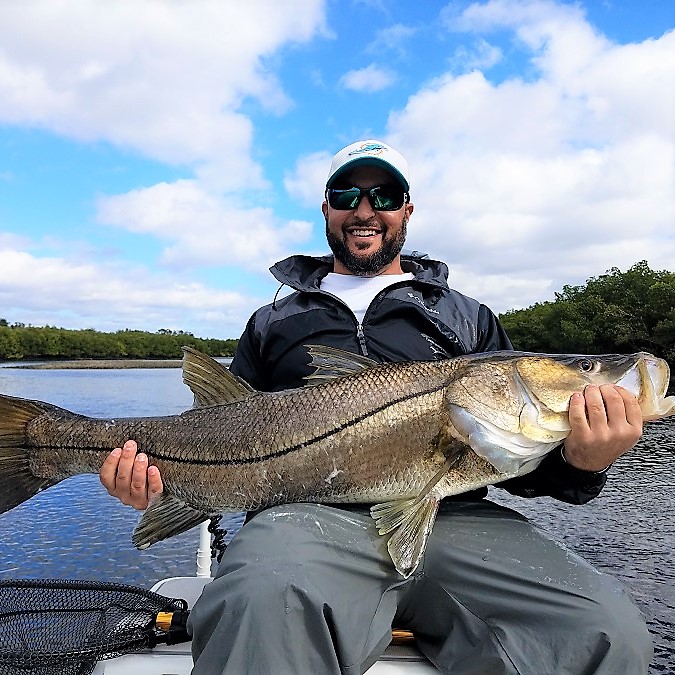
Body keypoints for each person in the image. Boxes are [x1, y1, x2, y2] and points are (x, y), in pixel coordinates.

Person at [100, 140, 652, 674]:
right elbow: (217, 429)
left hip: (455, 516)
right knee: (262, 600)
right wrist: (156, 480)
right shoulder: (273, 322)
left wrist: (584, 462)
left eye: (384, 196)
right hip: (305, 518)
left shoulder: (467, 319)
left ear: (407, 210)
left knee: (606, 630)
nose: (365, 211)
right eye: (347, 196)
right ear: (326, 208)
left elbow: (527, 473)